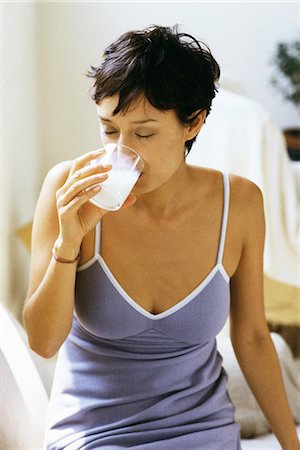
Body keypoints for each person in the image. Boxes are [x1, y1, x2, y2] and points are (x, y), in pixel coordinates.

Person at [22, 24, 300, 450]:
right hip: (96, 437)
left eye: (144, 133)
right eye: (109, 130)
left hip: (204, 434)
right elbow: (43, 343)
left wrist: (290, 443)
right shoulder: (69, 187)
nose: (121, 151)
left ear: (193, 123)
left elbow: (252, 338)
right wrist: (68, 245)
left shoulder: (239, 202)